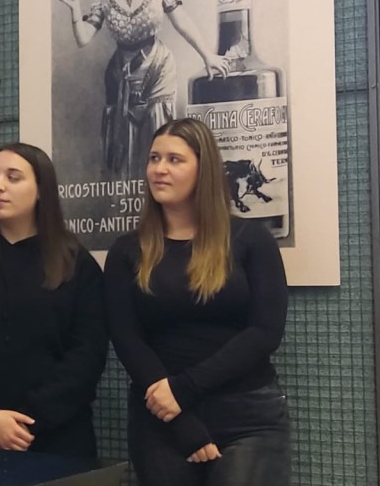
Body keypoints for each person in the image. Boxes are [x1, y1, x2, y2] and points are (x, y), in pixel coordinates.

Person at [104, 118, 290, 485]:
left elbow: (265, 331)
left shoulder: (251, 239)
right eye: (154, 158)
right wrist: (179, 416)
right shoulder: (127, 250)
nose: (159, 169)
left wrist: (184, 389)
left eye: (175, 160)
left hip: (247, 415)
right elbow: (126, 338)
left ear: (203, 170)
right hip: (162, 418)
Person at [0, 142, 108, 459]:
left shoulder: (77, 265)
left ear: (42, 190)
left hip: (59, 440)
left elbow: (87, 355)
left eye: (13, 177)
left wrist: (29, 420)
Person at [56, 0, 227, 177]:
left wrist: (207, 56)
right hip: (122, 77)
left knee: (160, 134)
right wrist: (74, 8)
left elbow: (181, 21)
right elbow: (83, 39)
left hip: (158, 68)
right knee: (126, 144)